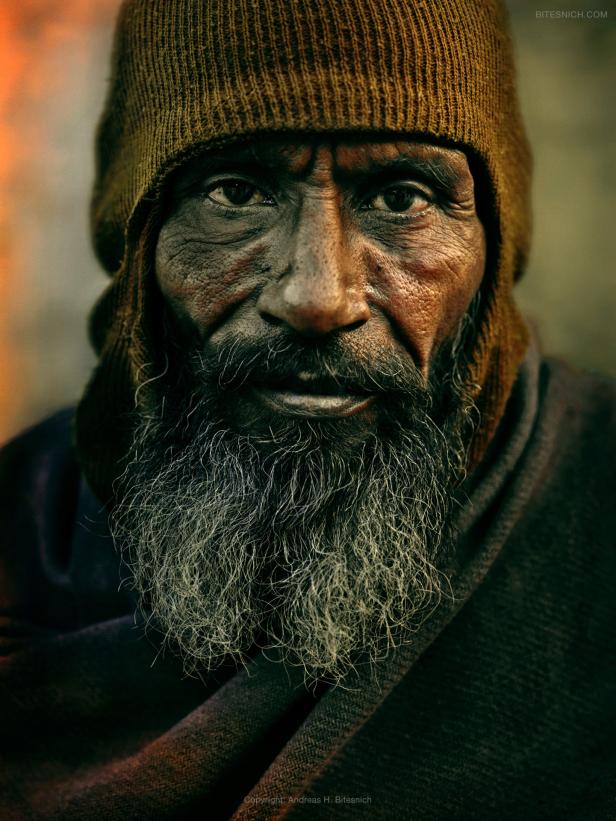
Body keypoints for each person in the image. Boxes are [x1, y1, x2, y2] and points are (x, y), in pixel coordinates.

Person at [1, 0, 614, 818]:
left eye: (402, 197)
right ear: (137, 237)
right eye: (235, 190)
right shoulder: (17, 523)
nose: (318, 296)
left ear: (497, 246)